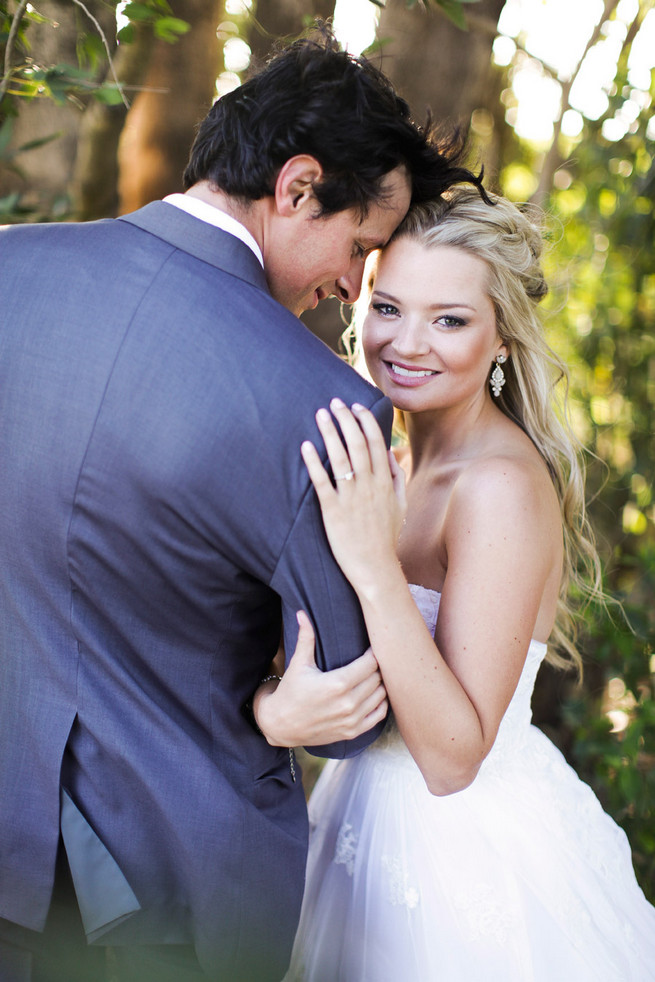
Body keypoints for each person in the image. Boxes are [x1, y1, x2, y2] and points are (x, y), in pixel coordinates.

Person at [0, 28, 486, 982]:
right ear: (297, 186)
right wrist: (269, 706)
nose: (353, 286)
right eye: (359, 247)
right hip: (160, 903)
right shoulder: (325, 406)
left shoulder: (11, 270)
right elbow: (345, 708)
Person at [253, 188, 655, 981]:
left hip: (463, 858)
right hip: (351, 816)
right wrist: (275, 701)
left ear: (501, 339)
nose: (407, 343)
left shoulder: (498, 486)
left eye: (449, 319)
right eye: (388, 307)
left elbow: (450, 757)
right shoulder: (387, 460)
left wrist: (372, 567)